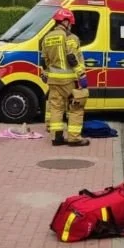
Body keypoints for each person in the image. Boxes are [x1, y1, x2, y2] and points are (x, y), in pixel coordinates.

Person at [40, 8, 89, 146]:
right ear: (66, 22)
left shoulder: (47, 38)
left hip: (53, 80)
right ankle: (74, 138)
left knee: (56, 108)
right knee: (76, 107)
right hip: (69, 80)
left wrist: (45, 74)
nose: (71, 26)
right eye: (70, 23)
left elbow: (44, 61)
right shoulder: (70, 37)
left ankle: (57, 138)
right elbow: (72, 58)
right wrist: (82, 75)